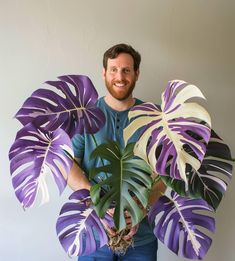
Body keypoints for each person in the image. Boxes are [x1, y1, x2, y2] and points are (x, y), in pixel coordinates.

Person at [69, 43, 166, 261]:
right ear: (104, 73)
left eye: (126, 70)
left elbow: (166, 172)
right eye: (113, 69)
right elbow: (69, 165)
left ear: (137, 74)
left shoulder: (153, 118)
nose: (119, 76)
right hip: (94, 234)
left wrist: (142, 206)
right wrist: (96, 203)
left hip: (141, 238)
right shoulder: (86, 115)